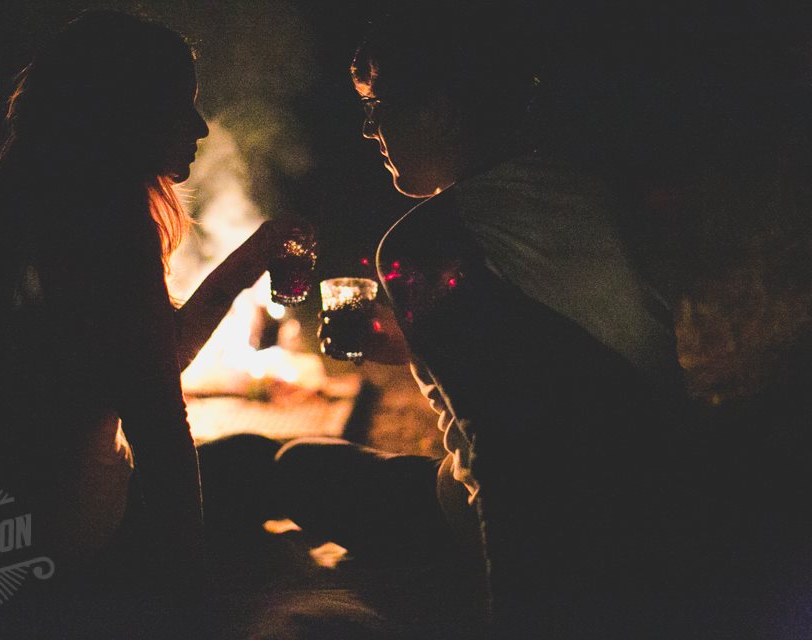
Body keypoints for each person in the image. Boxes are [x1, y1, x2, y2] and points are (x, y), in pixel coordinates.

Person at [276, 3, 686, 637]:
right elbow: (550, 350)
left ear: (439, 108)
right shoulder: (580, 188)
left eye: (378, 105)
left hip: (572, 539)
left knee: (298, 469)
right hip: (661, 497)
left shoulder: (431, 240)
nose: (368, 129)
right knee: (315, 464)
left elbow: (508, 462)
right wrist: (411, 340)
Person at [0, 10, 304, 636]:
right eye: (179, 106)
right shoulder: (107, 228)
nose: (200, 126)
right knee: (264, 471)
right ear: (122, 114)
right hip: (60, 539)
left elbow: (147, 359)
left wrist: (247, 263)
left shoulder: (32, 204)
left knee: (249, 461)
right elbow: (160, 429)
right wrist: (190, 602)